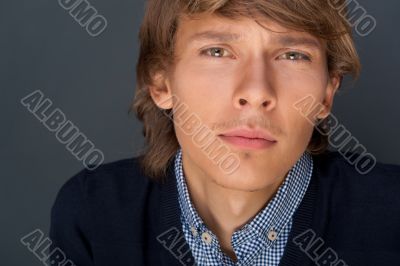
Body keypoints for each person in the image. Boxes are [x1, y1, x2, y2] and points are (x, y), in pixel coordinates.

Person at [49, 0, 400, 265]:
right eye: (217, 51)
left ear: (327, 93)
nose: (257, 91)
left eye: (292, 55)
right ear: (161, 82)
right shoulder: (91, 214)